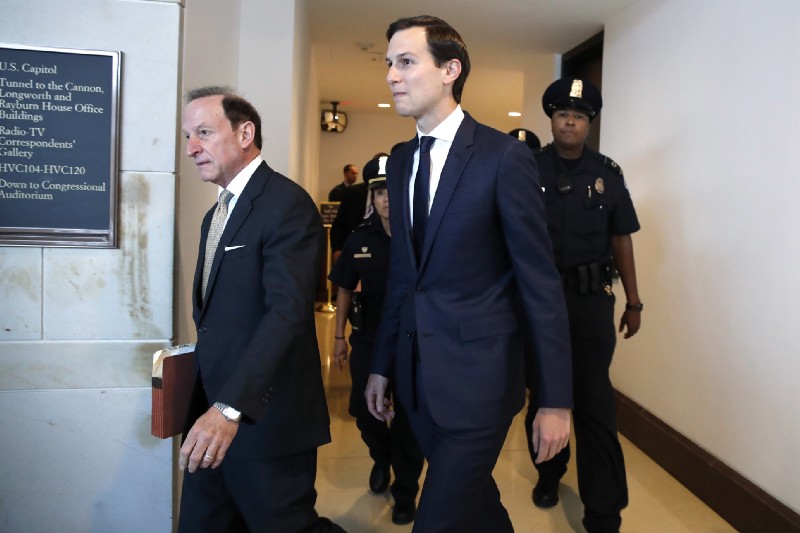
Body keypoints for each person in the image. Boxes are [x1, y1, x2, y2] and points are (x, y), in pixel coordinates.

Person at [364, 16, 573, 532]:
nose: (392, 75)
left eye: (407, 62)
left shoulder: (503, 158)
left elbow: (540, 285)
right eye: (389, 63)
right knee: (478, 511)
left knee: (436, 521)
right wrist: (383, 363)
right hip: (417, 380)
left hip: (481, 381)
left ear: (450, 70)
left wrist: (554, 400)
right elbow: (405, 278)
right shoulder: (401, 159)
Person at [178, 85, 344, 533]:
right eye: (187, 136)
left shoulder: (286, 205)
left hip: (264, 420)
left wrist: (229, 408)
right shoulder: (215, 216)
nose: (192, 148)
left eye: (204, 133)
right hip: (210, 415)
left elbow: (286, 314)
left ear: (245, 132)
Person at [523, 78, 643, 533]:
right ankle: (549, 475)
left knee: (594, 402)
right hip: (538, 304)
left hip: (592, 304)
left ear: (589, 124)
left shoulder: (608, 174)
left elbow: (621, 239)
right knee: (543, 395)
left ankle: (604, 511)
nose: (569, 121)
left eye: (579, 116)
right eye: (561, 114)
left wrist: (634, 301)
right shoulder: (527, 168)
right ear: (551, 120)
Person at [328, 156, 424, 525]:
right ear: (372, 196)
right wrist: (339, 336)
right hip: (368, 338)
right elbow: (344, 289)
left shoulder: (420, 238)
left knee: (409, 418)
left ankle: (405, 491)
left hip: (412, 341)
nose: (387, 199)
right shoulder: (360, 240)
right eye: (380, 191)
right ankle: (382, 459)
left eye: (392, 191)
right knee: (365, 412)